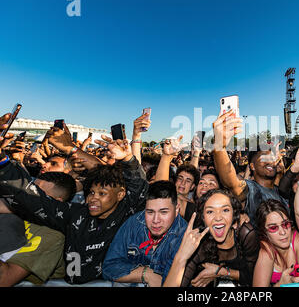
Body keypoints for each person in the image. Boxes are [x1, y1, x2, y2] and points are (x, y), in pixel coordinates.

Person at [0, 122, 148, 284]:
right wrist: (2, 161)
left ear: (120, 195)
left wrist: (127, 159)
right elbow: (31, 197)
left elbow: (137, 185)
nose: (93, 198)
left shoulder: (126, 215)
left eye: (102, 194)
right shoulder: (75, 215)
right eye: (91, 192)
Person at [163, 189, 259, 287]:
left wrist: (221, 272)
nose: (218, 218)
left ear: (234, 214)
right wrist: (181, 256)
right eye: (210, 212)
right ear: (203, 218)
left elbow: (254, 279)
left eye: (225, 210)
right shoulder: (199, 243)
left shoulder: (246, 233)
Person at [102, 181, 187, 286]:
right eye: (150, 212)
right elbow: (108, 267)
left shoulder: (184, 236)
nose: (156, 220)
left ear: (177, 209)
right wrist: (146, 274)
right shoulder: (134, 223)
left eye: (163, 212)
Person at [212, 110, 289, 225]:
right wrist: (219, 144)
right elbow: (231, 183)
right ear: (252, 166)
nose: (270, 161)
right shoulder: (251, 189)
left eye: (272, 158)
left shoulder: (281, 190)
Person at [252, 199, 299, 287]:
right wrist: (280, 285)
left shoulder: (295, 238)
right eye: (273, 228)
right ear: (264, 231)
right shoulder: (266, 252)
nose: (283, 232)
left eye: (285, 224)